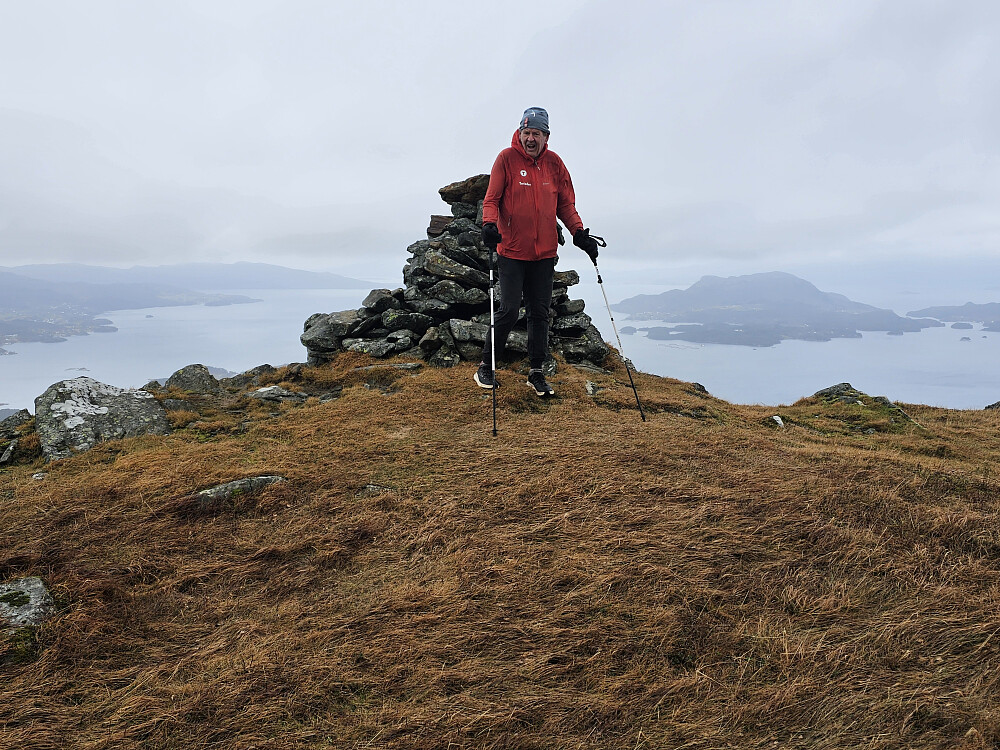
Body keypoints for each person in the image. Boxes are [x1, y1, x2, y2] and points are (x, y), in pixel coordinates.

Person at [475, 106, 600, 397]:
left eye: (537, 133)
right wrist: (489, 225)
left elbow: (566, 205)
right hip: (511, 251)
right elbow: (491, 199)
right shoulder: (506, 159)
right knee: (507, 309)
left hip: (543, 254)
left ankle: (536, 372)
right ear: (520, 133)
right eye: (526, 132)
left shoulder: (555, 164)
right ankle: (486, 365)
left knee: (540, 313)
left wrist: (579, 232)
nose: (530, 138)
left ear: (546, 136)